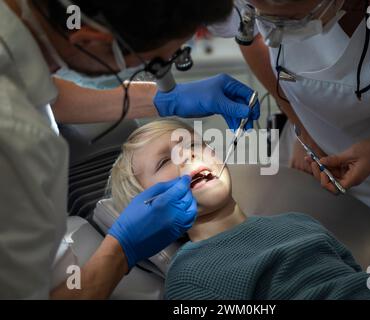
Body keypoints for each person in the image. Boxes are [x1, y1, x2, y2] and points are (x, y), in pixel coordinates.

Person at [0, 0, 259, 299]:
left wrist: (163, 99)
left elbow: (38, 89)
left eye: (195, 144)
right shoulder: (16, 140)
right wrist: (121, 250)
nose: (187, 154)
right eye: (154, 65)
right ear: (89, 40)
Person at [108, 118, 370, 300]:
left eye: (194, 144)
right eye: (165, 161)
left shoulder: (298, 222)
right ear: (145, 207)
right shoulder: (190, 276)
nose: (188, 155)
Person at [210, 0, 370, 229]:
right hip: (308, 168)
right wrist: (302, 128)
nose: (272, 36)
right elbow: (250, 37)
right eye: (263, 17)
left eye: (292, 20)